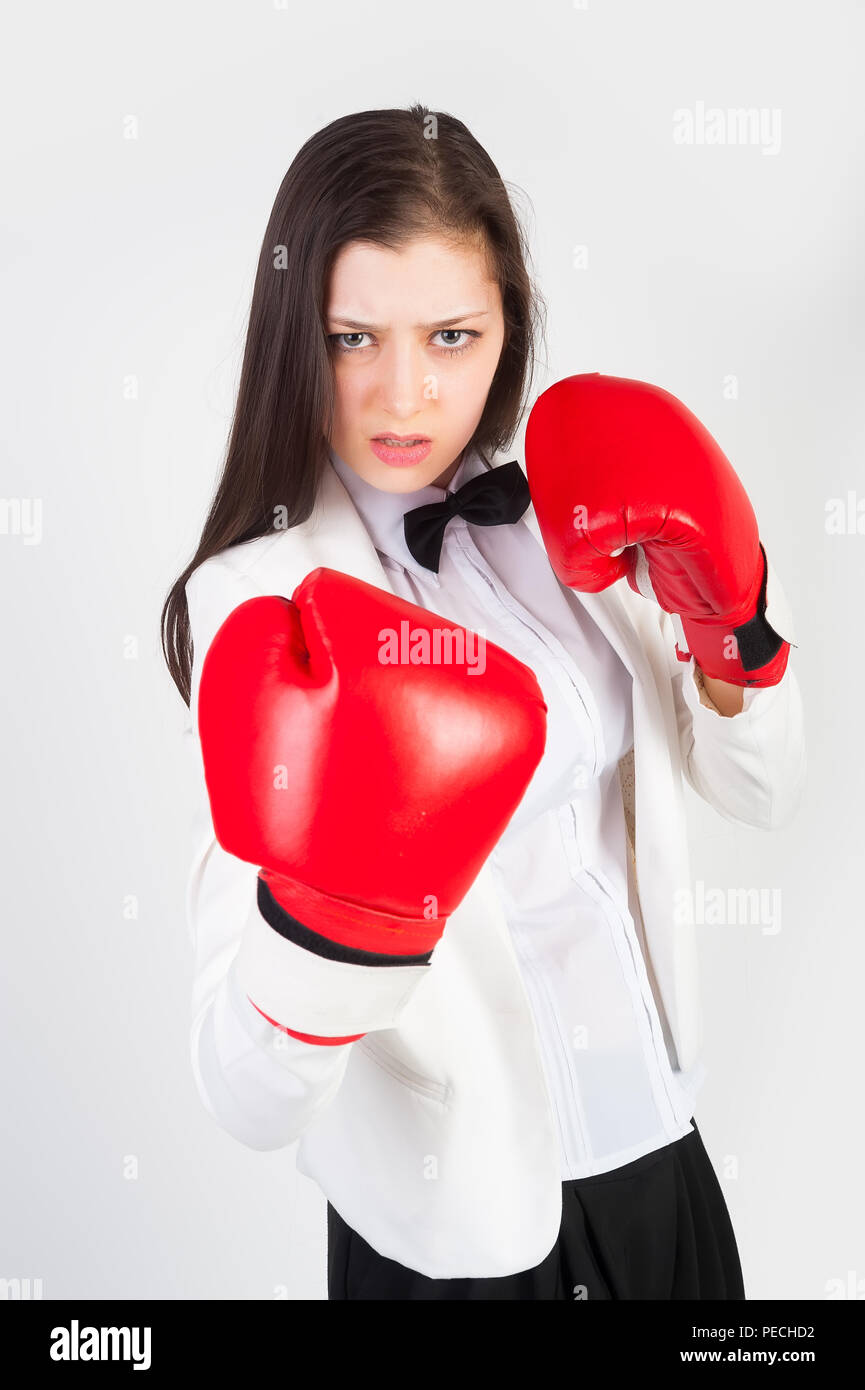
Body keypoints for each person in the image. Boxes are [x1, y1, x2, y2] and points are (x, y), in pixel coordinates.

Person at [161, 104, 806, 1300]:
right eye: (354, 337)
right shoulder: (257, 599)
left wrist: (736, 622)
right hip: (456, 1230)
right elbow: (242, 1090)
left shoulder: (572, 523)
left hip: (658, 1157)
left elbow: (763, 788)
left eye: (451, 335)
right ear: (294, 335)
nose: (403, 393)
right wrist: (335, 920)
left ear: (509, 328)